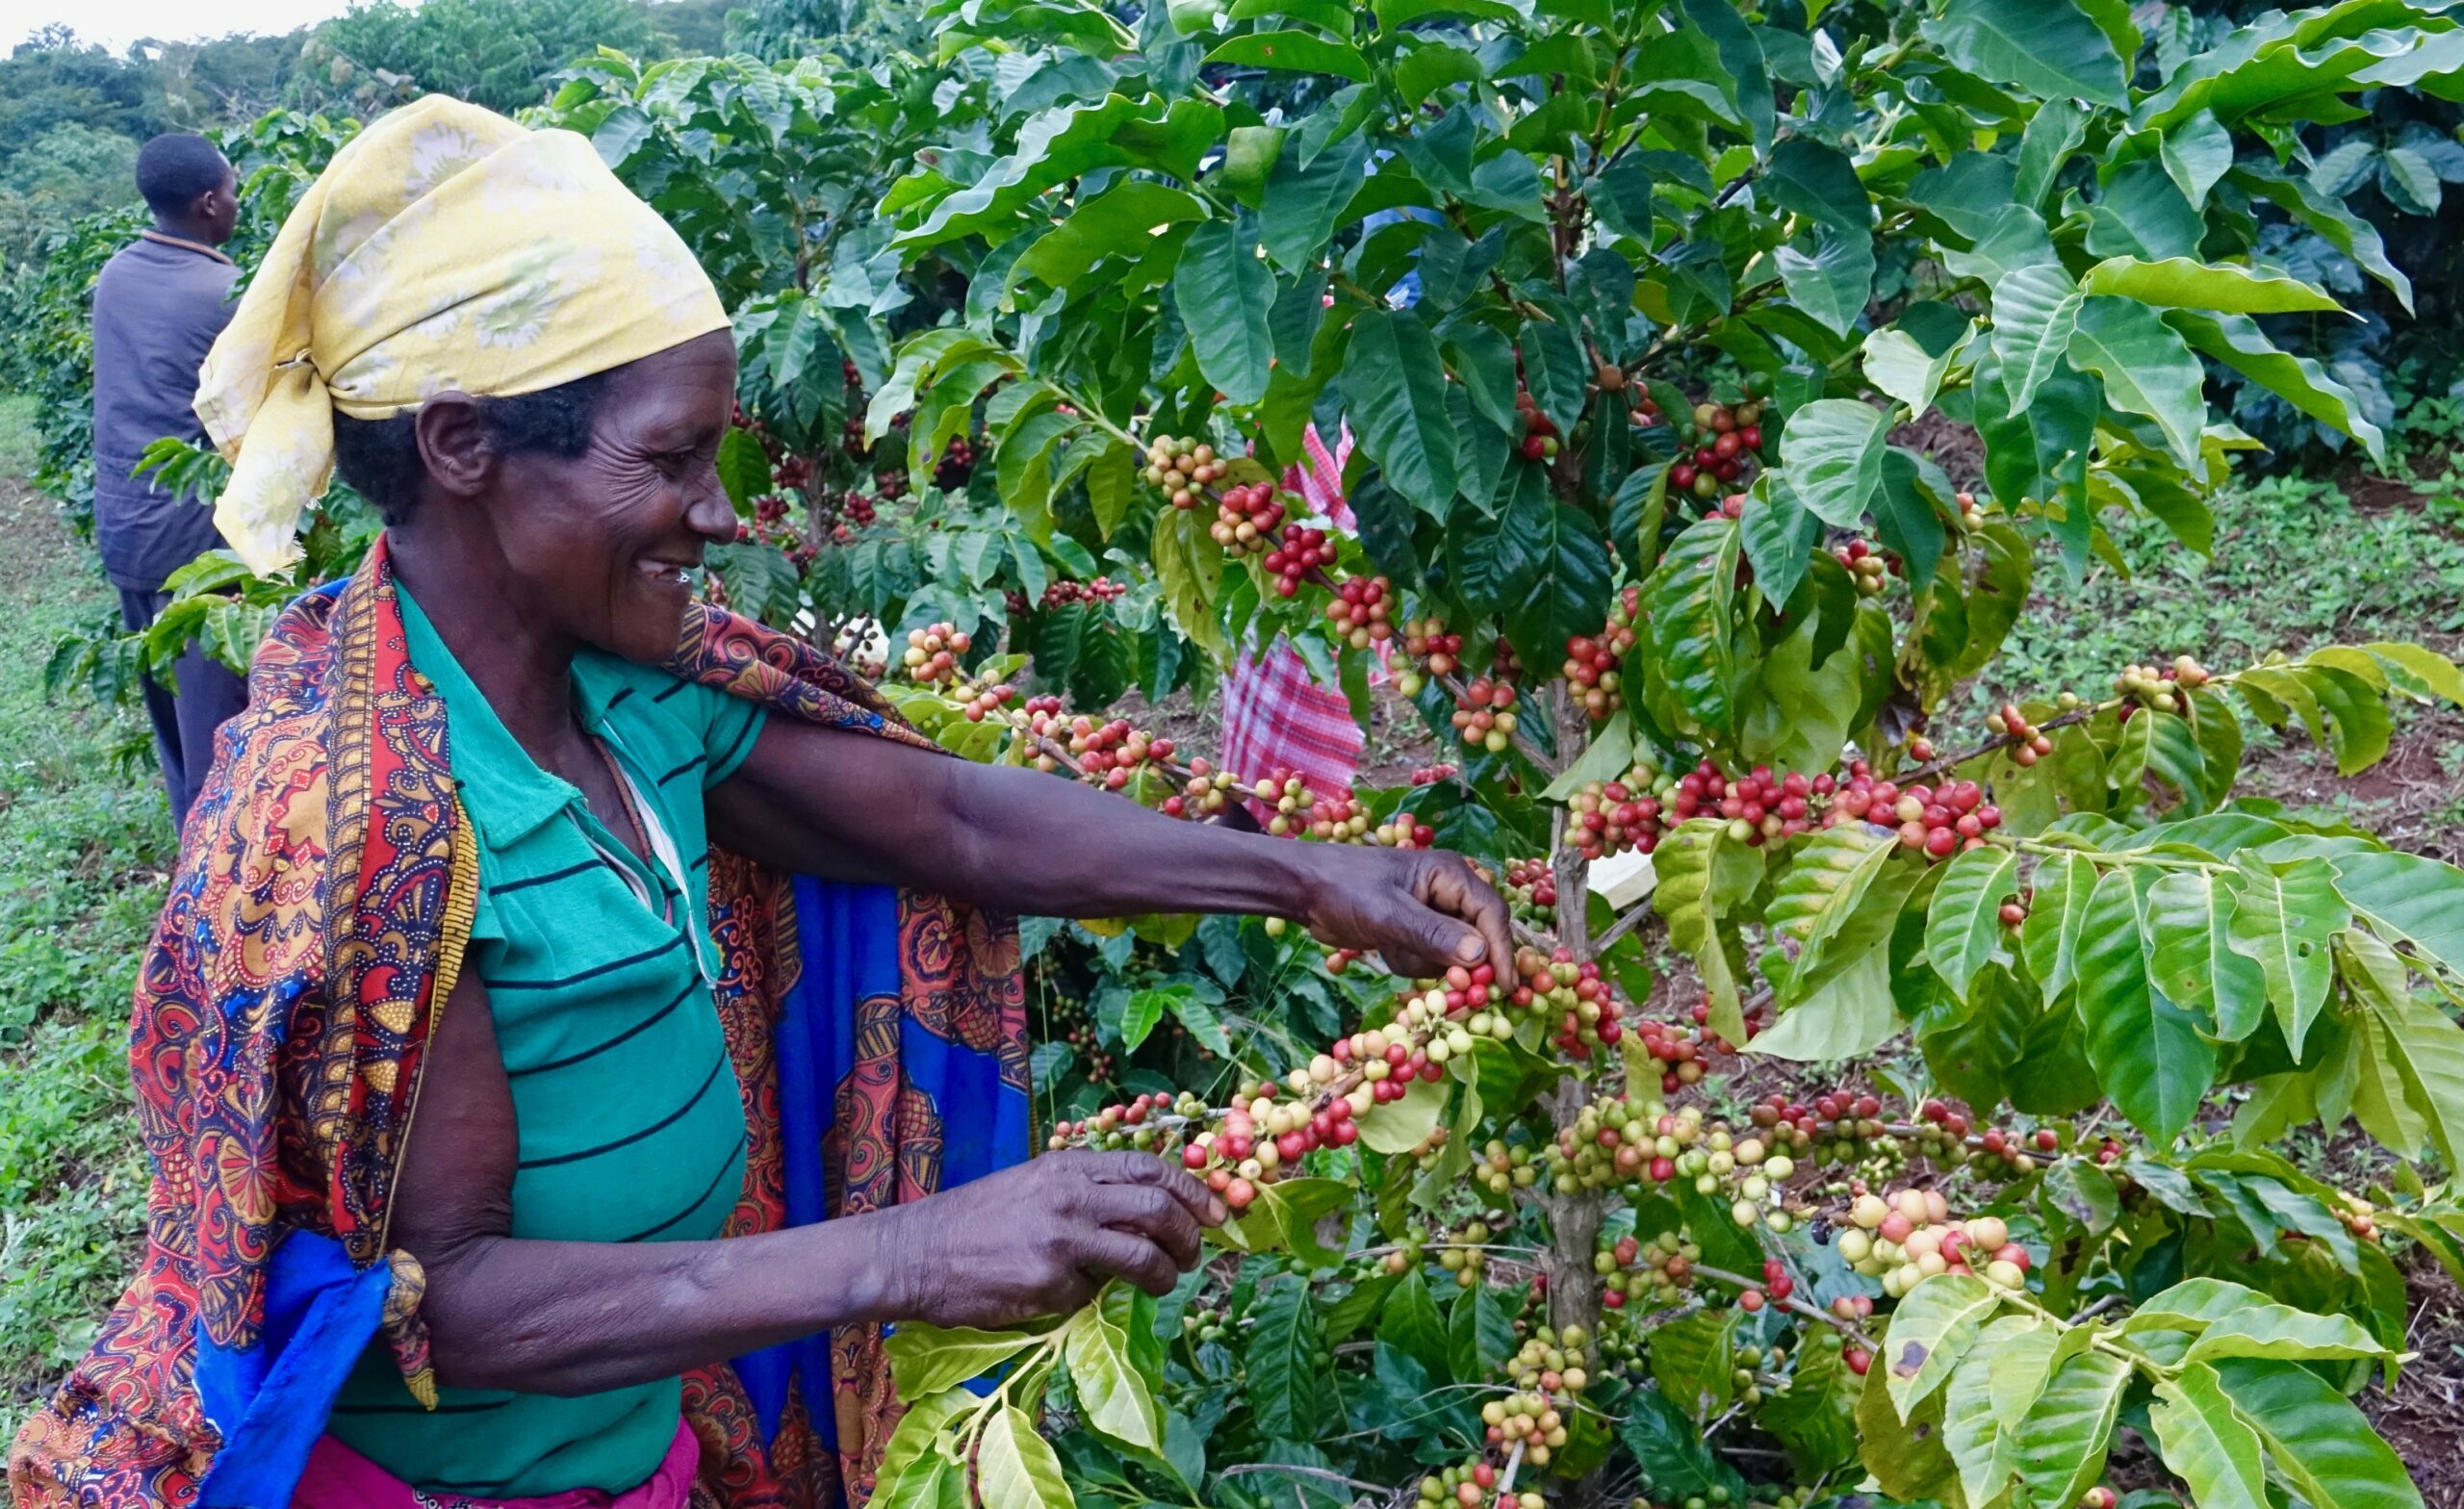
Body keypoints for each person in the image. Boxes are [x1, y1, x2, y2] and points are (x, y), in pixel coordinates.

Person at [9, 97, 1513, 1509]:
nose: (721, 514)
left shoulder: (631, 687)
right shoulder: (371, 824)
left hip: (636, 1447)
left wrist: (1307, 877)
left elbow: (948, 824)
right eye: (667, 460)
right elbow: (436, 1300)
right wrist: (908, 1253)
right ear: (464, 447)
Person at [89, 133, 250, 830]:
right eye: (236, 190)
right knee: (223, 741)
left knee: (178, 738)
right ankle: (218, 907)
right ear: (209, 202)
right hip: (193, 547)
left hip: (126, 530)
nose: (239, 203)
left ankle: (196, 867)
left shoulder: (119, 274)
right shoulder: (222, 293)